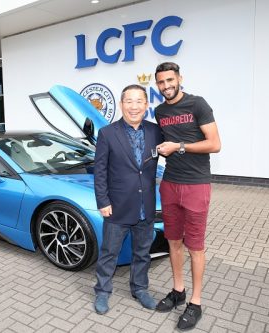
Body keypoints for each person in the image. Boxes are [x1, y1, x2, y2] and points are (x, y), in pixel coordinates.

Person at [153, 62, 221, 331]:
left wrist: (178, 146)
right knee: (173, 241)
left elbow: (215, 144)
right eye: (161, 82)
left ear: (179, 78)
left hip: (196, 185)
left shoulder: (198, 104)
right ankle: (178, 290)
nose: (166, 86)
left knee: (196, 246)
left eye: (170, 80)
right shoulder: (160, 111)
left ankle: (195, 302)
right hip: (169, 183)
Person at [93, 84, 163, 314]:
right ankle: (103, 292)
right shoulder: (107, 133)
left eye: (139, 101)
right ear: (122, 104)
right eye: (129, 101)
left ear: (146, 105)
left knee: (142, 253)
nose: (134, 106)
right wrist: (103, 201)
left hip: (146, 206)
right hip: (117, 208)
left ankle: (140, 289)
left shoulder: (156, 131)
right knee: (109, 253)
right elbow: (100, 171)